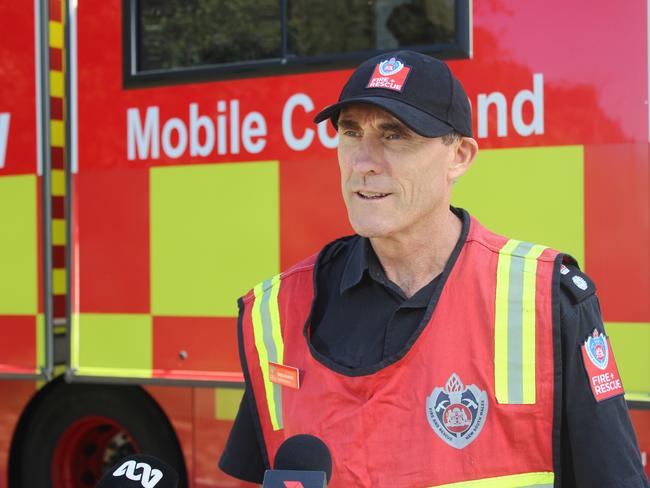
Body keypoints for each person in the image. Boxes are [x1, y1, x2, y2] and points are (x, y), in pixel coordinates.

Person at [219, 50, 648, 487]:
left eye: (394, 136)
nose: (363, 162)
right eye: (351, 132)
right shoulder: (277, 310)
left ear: (459, 156)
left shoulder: (545, 298)